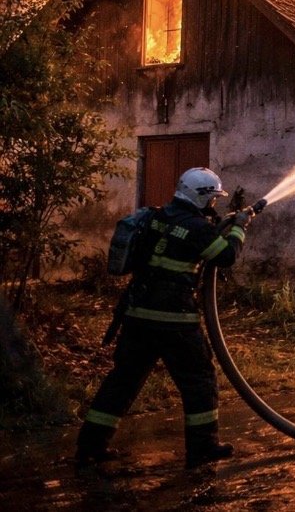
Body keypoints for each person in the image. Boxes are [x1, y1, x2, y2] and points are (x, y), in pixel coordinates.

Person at [76, 167, 254, 469]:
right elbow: (225, 257)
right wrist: (239, 228)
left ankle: (90, 446)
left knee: (122, 381)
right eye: (212, 198)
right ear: (201, 197)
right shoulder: (197, 228)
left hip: (137, 316)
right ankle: (203, 447)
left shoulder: (155, 217)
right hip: (175, 322)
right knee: (199, 381)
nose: (214, 203)